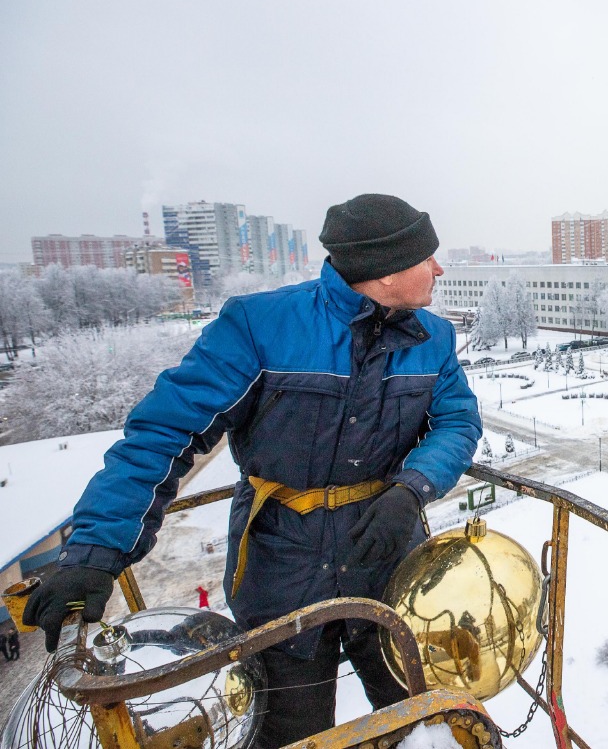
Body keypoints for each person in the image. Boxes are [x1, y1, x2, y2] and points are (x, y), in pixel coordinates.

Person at [23, 194, 481, 748]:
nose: (438, 268)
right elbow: (165, 434)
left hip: (387, 557)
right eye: (426, 257)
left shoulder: (433, 338)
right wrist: (97, 552)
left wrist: (411, 490)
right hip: (281, 570)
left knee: (419, 713)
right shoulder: (260, 327)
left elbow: (456, 422)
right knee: (294, 729)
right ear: (384, 273)